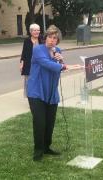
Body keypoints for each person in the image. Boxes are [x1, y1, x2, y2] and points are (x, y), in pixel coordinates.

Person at [27, 25, 82, 161]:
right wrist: (64, 66)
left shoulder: (57, 50)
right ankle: (38, 151)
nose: (52, 40)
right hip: (37, 91)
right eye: (50, 37)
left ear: (58, 41)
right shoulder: (38, 49)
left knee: (50, 123)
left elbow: (58, 67)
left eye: (55, 38)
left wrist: (61, 60)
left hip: (51, 92)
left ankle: (46, 147)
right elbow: (47, 64)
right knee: (40, 123)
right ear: (45, 37)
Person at [20, 23, 43, 96]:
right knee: (29, 82)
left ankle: (38, 96)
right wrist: (21, 64)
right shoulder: (27, 41)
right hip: (29, 65)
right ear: (31, 31)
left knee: (39, 81)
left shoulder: (41, 40)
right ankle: (30, 97)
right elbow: (24, 53)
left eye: (38, 30)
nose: (37, 32)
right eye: (35, 30)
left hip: (40, 65)